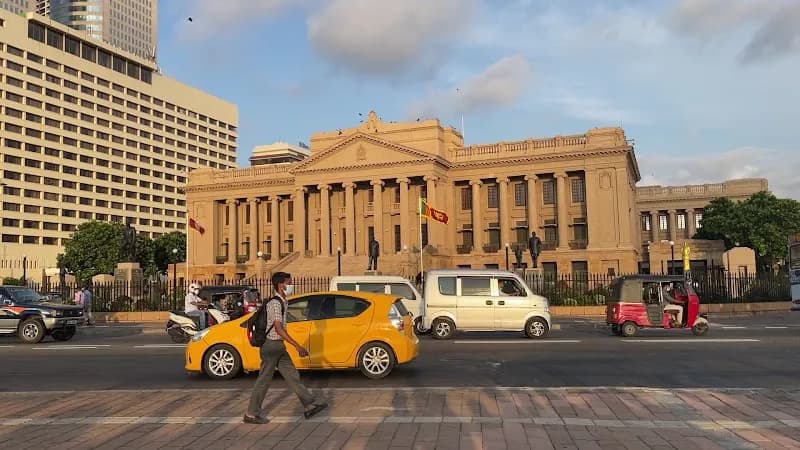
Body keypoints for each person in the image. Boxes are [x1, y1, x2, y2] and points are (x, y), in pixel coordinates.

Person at [244, 272, 327, 424]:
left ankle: (309, 404)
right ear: (281, 284)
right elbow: (278, 328)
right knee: (264, 380)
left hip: (278, 347)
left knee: (292, 375)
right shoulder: (275, 303)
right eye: (289, 283)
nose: (291, 286)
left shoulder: (283, 301)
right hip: (271, 346)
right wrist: (297, 346)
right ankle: (251, 413)